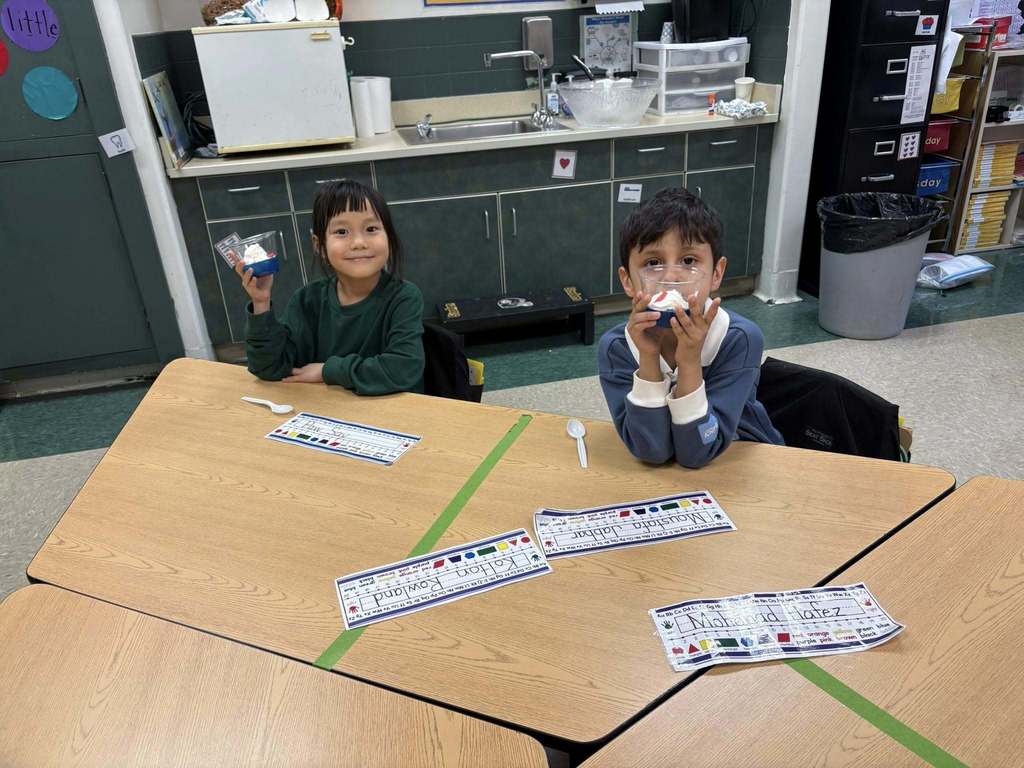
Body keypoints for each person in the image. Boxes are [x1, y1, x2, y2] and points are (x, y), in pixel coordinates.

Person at [598, 187, 782, 467]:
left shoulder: (738, 339)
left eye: (688, 261)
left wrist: (690, 362)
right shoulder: (617, 348)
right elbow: (651, 452)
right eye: (653, 262)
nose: (671, 277)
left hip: (740, 458)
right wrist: (648, 358)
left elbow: (698, 454)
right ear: (627, 281)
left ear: (716, 273)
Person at [237, 180, 424, 395]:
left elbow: (402, 370)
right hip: (328, 409)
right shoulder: (307, 300)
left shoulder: (404, 298)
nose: (359, 243)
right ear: (319, 245)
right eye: (342, 231)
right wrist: (261, 303)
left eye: (371, 229)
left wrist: (327, 370)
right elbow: (270, 368)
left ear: (389, 237)